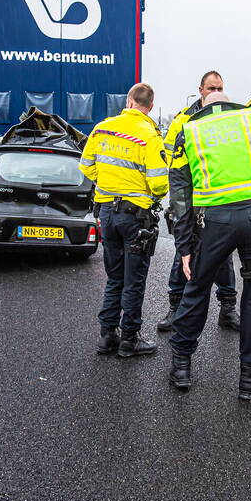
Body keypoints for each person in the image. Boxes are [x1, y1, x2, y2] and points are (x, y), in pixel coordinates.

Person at [167, 92, 251, 400]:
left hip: (214, 220)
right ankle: (250, 377)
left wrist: (184, 246)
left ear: (204, 106)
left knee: (197, 287)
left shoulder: (190, 131)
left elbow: (180, 194)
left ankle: (182, 367)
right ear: (230, 102)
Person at [79, 83, 168, 358]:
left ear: (129, 101)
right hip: (135, 217)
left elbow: (85, 166)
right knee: (134, 280)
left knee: (114, 277)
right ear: (150, 106)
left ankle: (107, 336)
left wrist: (107, 183)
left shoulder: (102, 128)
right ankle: (130, 339)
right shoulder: (150, 135)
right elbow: (159, 184)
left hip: (106, 213)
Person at [157, 71, 240, 333]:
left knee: (224, 257)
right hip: (191, 199)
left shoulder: (230, 116)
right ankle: (175, 307)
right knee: (184, 253)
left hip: (219, 199)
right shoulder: (183, 119)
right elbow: (169, 157)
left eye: (220, 87)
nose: (215, 91)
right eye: (211, 87)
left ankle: (227, 308)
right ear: (200, 89)